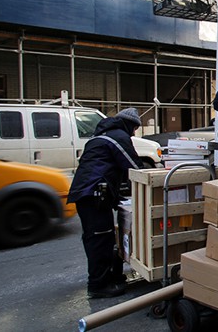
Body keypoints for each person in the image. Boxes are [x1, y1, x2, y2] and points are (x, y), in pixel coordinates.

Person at [68, 107, 144, 298]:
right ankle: (98, 285)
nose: (134, 133)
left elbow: (104, 166)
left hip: (89, 193)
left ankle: (109, 276)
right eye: (134, 128)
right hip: (93, 195)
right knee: (100, 239)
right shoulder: (118, 136)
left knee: (102, 237)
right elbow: (134, 166)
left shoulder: (100, 135)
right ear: (128, 124)